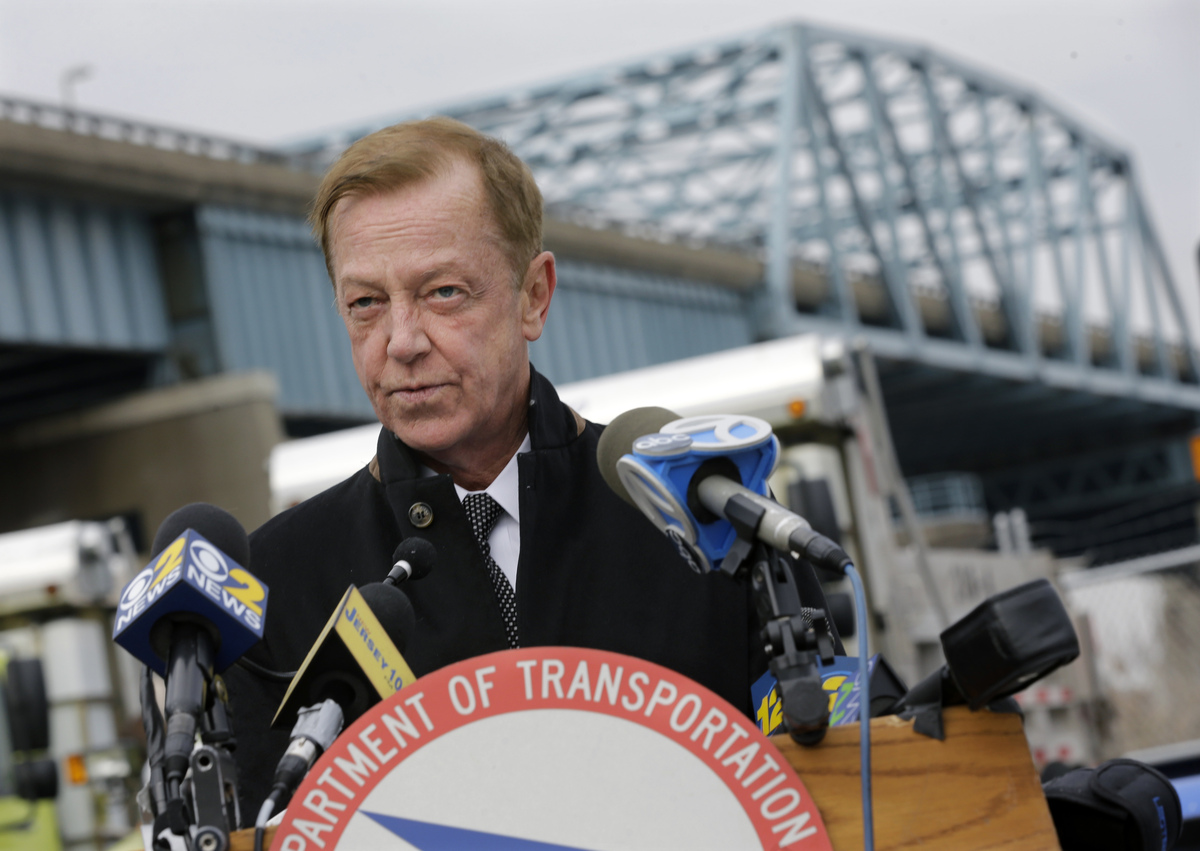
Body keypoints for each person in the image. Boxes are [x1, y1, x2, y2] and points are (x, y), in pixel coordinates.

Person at [223, 117, 838, 815]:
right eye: (366, 303)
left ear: (534, 295)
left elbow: (828, 790)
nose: (401, 341)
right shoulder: (274, 583)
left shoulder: (710, 516)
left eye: (443, 292)